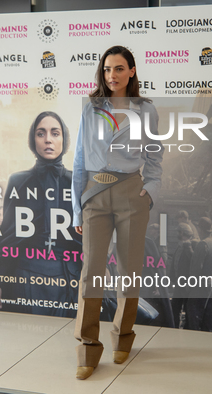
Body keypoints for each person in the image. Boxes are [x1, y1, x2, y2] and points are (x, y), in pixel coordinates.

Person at [71, 45, 163, 380]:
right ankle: (86, 348)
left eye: (120, 68)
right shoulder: (91, 108)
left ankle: (123, 337)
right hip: (95, 193)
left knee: (129, 270)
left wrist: (149, 191)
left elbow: (155, 157)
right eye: (108, 69)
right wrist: (76, 208)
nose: (113, 75)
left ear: (132, 71)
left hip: (130, 194)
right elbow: (80, 160)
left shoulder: (147, 110)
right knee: (91, 272)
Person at [0, 111, 82, 317]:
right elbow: (7, 235)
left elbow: (89, 236)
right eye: (40, 133)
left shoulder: (77, 183)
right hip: (26, 276)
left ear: (64, 139)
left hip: (69, 279)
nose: (48, 140)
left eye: (55, 133)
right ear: (32, 140)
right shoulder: (18, 181)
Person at [186, 217, 212, 332]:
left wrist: (190, 286)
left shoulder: (202, 244)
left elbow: (196, 269)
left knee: (194, 315)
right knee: (208, 316)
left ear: (200, 229)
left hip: (200, 286)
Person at [169, 223, 195, 328]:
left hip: (185, 284)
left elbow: (192, 267)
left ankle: (186, 329)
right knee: (175, 307)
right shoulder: (180, 246)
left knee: (186, 308)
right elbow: (175, 263)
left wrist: (189, 283)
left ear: (182, 233)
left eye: (178, 232)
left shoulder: (189, 247)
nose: (177, 234)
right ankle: (174, 327)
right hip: (179, 283)